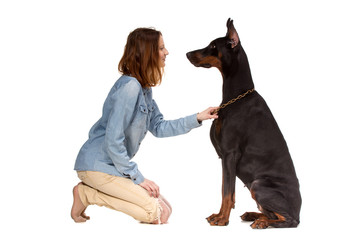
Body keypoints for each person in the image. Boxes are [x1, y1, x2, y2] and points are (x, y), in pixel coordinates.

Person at [71, 27, 218, 224]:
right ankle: (86, 194)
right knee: (156, 214)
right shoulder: (130, 88)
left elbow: (159, 127)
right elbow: (113, 141)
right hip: (96, 166)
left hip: (113, 167)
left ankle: (89, 192)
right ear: (147, 52)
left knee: (166, 210)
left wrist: (198, 117)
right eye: (161, 48)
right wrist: (138, 177)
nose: (166, 52)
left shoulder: (144, 89)